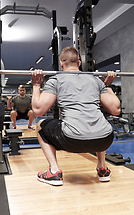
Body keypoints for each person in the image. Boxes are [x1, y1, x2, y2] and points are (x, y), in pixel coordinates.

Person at [31, 47, 121, 186]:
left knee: (40, 125)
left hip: (72, 140)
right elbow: (116, 109)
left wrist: (36, 85)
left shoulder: (56, 80)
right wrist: (107, 86)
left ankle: (54, 171)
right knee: (97, 121)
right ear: (79, 63)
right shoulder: (96, 80)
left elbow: (38, 110)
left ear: (61, 64)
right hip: (105, 139)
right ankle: (102, 168)